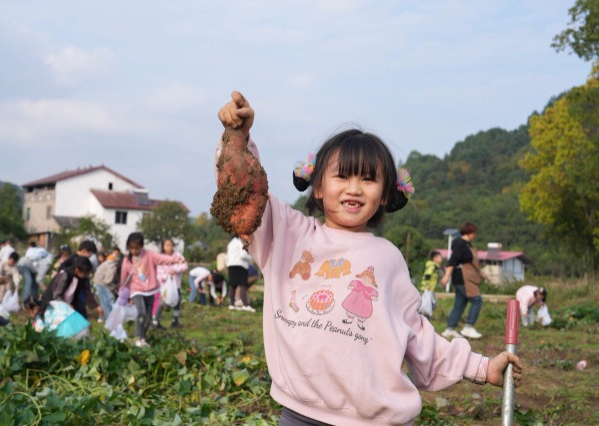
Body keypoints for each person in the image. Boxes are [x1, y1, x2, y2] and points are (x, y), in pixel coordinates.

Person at [214, 91, 522, 425]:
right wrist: (237, 137)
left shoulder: (387, 259)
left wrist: (481, 367)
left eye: (368, 178)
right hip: (299, 414)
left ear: (386, 193)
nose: (354, 188)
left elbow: (417, 334)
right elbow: (245, 193)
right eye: (342, 176)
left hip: (374, 418)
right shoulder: (288, 234)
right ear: (316, 186)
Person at [118, 232, 184, 347]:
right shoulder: (127, 260)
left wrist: (175, 260)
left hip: (150, 290)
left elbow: (163, 259)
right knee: (141, 312)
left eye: (136, 248)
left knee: (148, 317)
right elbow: (124, 277)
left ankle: (143, 337)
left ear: (142, 246)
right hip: (136, 290)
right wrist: (124, 292)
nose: (134, 251)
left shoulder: (149, 255)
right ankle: (138, 338)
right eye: (131, 248)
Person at [440, 222, 488, 340]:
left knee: (459, 304)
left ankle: (450, 329)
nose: (475, 235)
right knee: (477, 300)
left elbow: (472, 264)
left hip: (466, 278)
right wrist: (446, 276)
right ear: (469, 233)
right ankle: (468, 327)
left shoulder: (467, 245)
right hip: (463, 278)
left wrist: (482, 275)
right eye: (474, 232)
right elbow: (453, 261)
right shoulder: (461, 244)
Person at [40, 256, 102, 320]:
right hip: (54, 302)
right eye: (85, 273)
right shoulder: (64, 274)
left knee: (81, 316)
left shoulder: (83, 278)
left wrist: (96, 306)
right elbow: (57, 294)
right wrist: (66, 305)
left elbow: (88, 291)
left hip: (70, 302)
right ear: (77, 270)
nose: (86, 275)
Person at [152, 238, 188, 329]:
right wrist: (167, 276)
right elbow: (159, 273)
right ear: (163, 247)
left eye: (171, 245)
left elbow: (184, 265)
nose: (169, 247)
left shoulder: (178, 255)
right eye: (167, 245)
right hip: (165, 285)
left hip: (176, 284)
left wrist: (175, 270)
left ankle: (175, 320)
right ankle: (156, 321)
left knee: (178, 301)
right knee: (162, 302)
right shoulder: (160, 257)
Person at [25, 296, 90, 340]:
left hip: (64, 328)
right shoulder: (52, 303)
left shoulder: (40, 317)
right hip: (77, 322)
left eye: (28, 312)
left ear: (34, 309)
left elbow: (39, 332)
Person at [227, 236, 255, 312]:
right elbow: (243, 255)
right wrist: (251, 258)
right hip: (240, 265)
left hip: (231, 265)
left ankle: (231, 304)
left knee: (233, 286)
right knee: (243, 285)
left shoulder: (231, 243)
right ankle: (246, 305)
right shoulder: (241, 242)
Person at [93, 251, 120, 322]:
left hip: (99, 280)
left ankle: (108, 318)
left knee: (104, 301)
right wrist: (114, 287)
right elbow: (107, 281)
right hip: (101, 282)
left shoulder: (108, 264)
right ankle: (111, 319)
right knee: (109, 300)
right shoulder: (112, 266)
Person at [418, 250, 443, 318]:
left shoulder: (436, 267)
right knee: (428, 304)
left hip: (431, 289)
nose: (441, 259)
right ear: (435, 258)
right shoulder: (432, 267)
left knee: (432, 303)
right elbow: (427, 276)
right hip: (428, 288)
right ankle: (423, 317)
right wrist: (426, 285)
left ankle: (425, 316)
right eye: (440, 257)